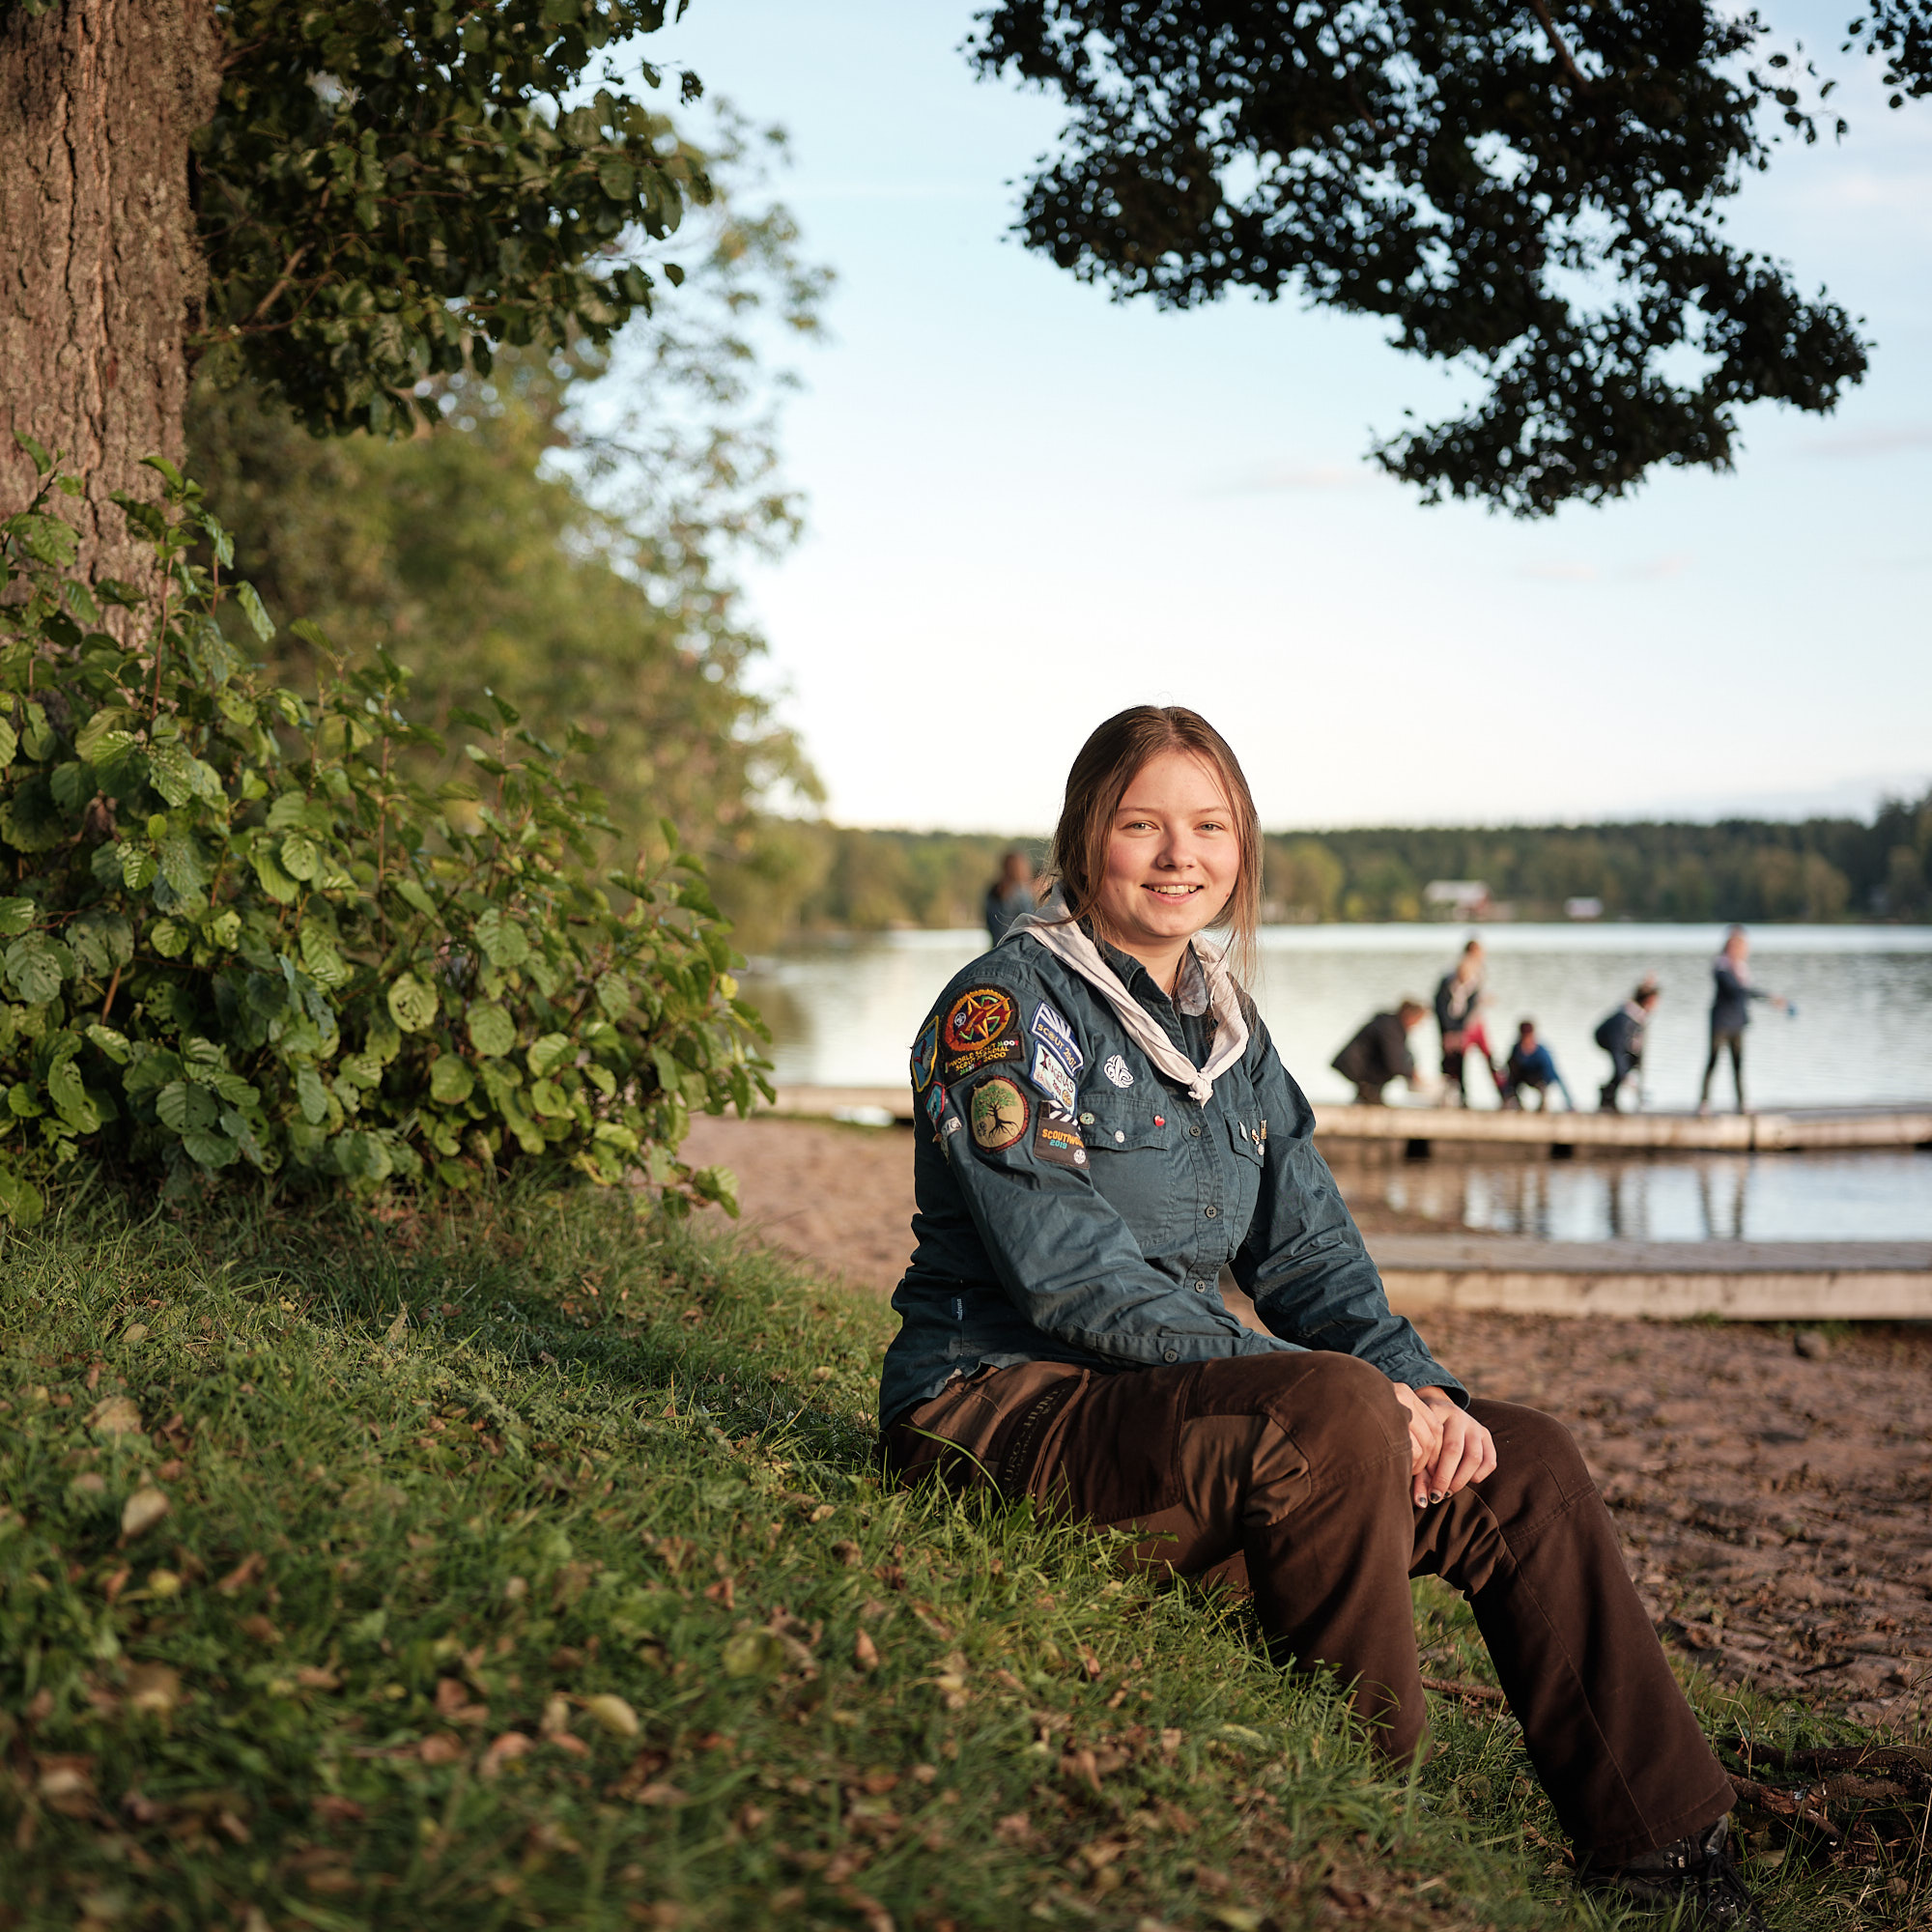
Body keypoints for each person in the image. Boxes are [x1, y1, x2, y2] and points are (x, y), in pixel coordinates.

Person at [880, 706, 1761, 1929]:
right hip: (1001, 1404)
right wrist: (1328, 1384)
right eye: (1142, 824)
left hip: (1173, 1411)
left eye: (1209, 826)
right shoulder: (1002, 1008)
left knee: (1524, 1456)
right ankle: (1364, 1826)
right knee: (1333, 1407)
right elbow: (1067, 1276)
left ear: (1242, 845)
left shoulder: (1233, 1037)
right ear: (1084, 840)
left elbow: (1310, 1259)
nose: (1178, 854)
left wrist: (1431, 1395)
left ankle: (1664, 1850)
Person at [1698, 927, 1785, 1116]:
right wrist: (1768, 997)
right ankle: (1704, 1103)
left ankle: (1742, 1104)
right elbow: (1737, 990)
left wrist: (1770, 999)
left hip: (1737, 1022)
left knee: (1738, 1064)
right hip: (1721, 1021)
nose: (1742, 950)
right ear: (1730, 947)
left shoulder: (1741, 969)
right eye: (1738, 946)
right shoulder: (1720, 967)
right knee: (1712, 1061)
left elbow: (1745, 990)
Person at [1331, 1001, 1426, 1105]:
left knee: (1383, 1078)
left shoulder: (1394, 1025)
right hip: (1355, 1066)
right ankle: (1369, 1093)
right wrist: (1412, 1074)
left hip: (1359, 1066)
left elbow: (1404, 1054)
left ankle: (1369, 1095)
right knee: (1390, 1070)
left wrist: (1410, 1069)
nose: (1417, 1025)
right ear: (1409, 1016)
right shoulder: (1390, 1027)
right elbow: (1394, 1062)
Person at [1433, 939, 1486, 1106]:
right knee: (1447, 1057)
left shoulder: (1474, 982)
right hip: (1447, 1025)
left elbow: (1470, 1008)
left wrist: (1460, 1031)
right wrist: (1448, 1031)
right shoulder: (1447, 982)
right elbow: (1440, 1007)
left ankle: (1463, 1095)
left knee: (1463, 1057)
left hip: (1464, 1026)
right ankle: (1446, 1092)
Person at [1596, 978, 1661, 1112]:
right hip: (1606, 1038)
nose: (1656, 1006)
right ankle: (1608, 1096)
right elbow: (1617, 1049)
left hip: (1621, 1041)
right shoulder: (1624, 1019)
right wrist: (1626, 1077)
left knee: (1630, 1063)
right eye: (1654, 1002)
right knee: (1622, 1067)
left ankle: (1609, 1092)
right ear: (1648, 1001)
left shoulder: (1639, 1013)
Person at [1503, 1020, 1574, 1110]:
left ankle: (1543, 1105)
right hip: (1523, 1077)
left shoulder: (1541, 1053)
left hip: (1540, 1079)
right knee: (1511, 1079)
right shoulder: (1516, 1050)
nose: (1525, 1039)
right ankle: (1517, 1105)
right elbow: (1509, 1071)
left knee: (1543, 1086)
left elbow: (1556, 1076)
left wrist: (1569, 1102)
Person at [983, 848, 1037, 945]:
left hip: (998, 949)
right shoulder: (1019, 893)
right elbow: (1030, 924)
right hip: (1015, 949)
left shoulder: (993, 891)